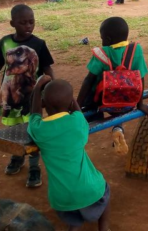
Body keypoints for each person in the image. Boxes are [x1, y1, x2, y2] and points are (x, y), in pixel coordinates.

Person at [0, 4, 55, 188]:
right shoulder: (5, 42)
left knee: (32, 131)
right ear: (12, 23)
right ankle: (17, 157)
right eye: (23, 23)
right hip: (10, 97)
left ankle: (34, 167)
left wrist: (54, 87)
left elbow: (47, 67)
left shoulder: (39, 44)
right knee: (15, 130)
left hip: (32, 97)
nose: (28, 26)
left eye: (31, 22)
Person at [27, 77, 111, 231]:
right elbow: (77, 111)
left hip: (61, 198)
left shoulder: (39, 130)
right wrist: (71, 98)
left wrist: (38, 87)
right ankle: (104, 226)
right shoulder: (78, 123)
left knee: (72, 212)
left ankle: (74, 227)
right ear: (71, 103)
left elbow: (35, 115)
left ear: (44, 103)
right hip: (90, 191)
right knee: (104, 187)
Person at [76, 17, 148, 156]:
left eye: (102, 38)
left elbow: (88, 80)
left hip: (102, 101)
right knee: (120, 99)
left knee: (93, 97)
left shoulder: (103, 53)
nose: (102, 41)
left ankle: (91, 121)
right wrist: (140, 104)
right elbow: (141, 79)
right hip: (128, 101)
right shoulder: (136, 50)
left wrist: (78, 105)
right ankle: (118, 127)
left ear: (108, 39)